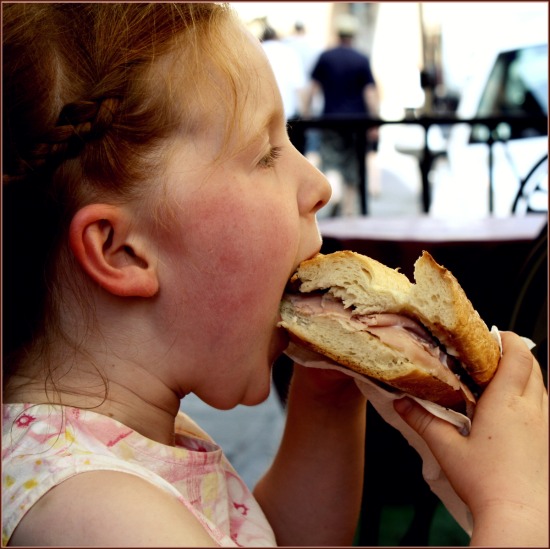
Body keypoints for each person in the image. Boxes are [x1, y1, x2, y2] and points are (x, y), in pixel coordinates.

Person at [1, 3, 547, 547]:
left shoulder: (124, 441)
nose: (318, 184)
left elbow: (276, 538)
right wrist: (519, 512)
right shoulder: (96, 513)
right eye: (266, 154)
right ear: (123, 252)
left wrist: (326, 401)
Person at [303, 13, 381, 215]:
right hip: (357, 122)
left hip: (330, 120)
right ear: (353, 35)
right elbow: (371, 94)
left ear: (337, 33)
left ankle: (334, 196)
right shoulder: (361, 59)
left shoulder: (325, 57)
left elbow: (311, 89)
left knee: (331, 162)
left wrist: (307, 114)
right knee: (353, 168)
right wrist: (374, 122)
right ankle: (349, 212)